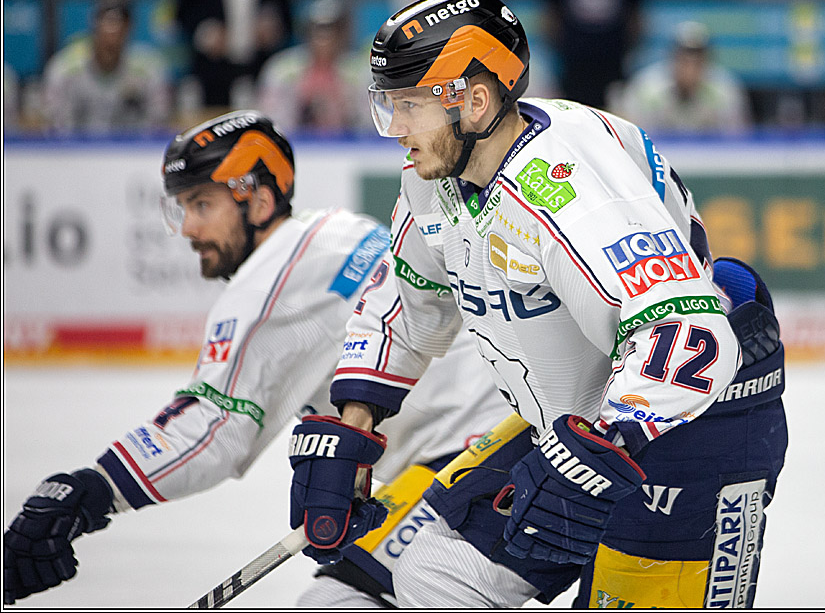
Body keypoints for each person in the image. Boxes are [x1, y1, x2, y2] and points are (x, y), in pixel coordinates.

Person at [290, 0, 788, 608]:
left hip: (690, 430)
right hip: (575, 429)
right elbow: (409, 310)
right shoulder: (435, 182)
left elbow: (691, 334)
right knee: (438, 576)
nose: (395, 128)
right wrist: (353, 424)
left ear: (473, 101)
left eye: (410, 105)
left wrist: (605, 444)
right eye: (389, 104)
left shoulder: (565, 184)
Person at [2, 109, 511, 606]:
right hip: (482, 445)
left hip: (474, 457)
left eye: (202, 205)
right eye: (183, 208)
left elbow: (212, 427)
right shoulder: (334, 232)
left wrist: (91, 491)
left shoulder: (272, 285)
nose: (187, 229)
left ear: (260, 201)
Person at [175, 0, 292, 109]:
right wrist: (205, 33)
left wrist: (271, 28)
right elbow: (183, 13)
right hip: (211, 69)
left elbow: (285, 15)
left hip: (256, 67)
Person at [540, 0, 641, 110]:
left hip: (612, 63)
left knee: (612, 113)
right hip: (575, 65)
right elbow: (550, 17)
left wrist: (627, 47)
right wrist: (560, 46)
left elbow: (635, 19)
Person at [41, 0, 171, 135]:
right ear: (94, 26)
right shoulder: (66, 67)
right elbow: (55, 123)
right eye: (107, 22)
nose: (112, 35)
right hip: (76, 151)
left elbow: (158, 121)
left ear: (128, 29)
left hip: (132, 151)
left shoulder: (148, 67)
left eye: (119, 24)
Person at [610, 20, 752, 135]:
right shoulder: (647, 86)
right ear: (672, 57)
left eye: (697, 58)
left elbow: (737, 139)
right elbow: (632, 136)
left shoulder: (724, 88)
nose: (690, 67)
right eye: (684, 57)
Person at [257, 0, 370, 134]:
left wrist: (344, 106)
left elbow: (370, 121)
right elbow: (271, 117)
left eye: (331, 31)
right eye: (319, 31)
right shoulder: (282, 68)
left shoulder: (360, 71)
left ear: (342, 34)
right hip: (297, 144)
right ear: (307, 33)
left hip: (351, 147)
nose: (324, 39)